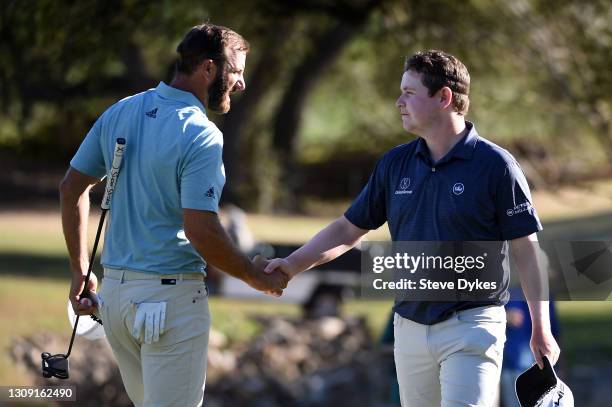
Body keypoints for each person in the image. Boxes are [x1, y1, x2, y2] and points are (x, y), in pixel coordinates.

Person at [265, 50, 560, 406]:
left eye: (409, 92)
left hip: (472, 325)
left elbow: (526, 249)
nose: (398, 101)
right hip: (409, 329)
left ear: (444, 98)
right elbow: (347, 229)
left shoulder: (496, 165)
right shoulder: (394, 164)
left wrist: (540, 327)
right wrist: (292, 265)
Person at [60, 23, 288, 407]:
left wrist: (80, 271)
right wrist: (251, 274)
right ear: (209, 70)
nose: (242, 84)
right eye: (237, 72)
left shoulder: (121, 111)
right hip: (170, 305)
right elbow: (201, 230)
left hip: (116, 300)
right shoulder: (201, 133)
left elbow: (71, 188)